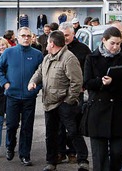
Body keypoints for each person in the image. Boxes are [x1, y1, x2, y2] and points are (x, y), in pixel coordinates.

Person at [28, 31, 90, 171]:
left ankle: (83, 160)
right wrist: (33, 81)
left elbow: (76, 82)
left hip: (64, 103)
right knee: (51, 134)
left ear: (52, 43)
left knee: (73, 132)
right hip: (49, 102)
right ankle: (51, 162)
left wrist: (69, 101)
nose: (45, 45)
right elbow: (39, 72)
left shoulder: (69, 58)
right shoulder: (47, 58)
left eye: (47, 42)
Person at [84, 27, 122, 171]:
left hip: (119, 110)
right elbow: (87, 82)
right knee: (99, 156)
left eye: (118, 44)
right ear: (104, 41)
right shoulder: (92, 58)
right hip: (98, 111)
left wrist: (113, 83)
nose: (115, 47)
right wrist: (101, 82)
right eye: (112, 43)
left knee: (118, 152)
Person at [0, 26, 44, 167]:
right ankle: (10, 146)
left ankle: (25, 155)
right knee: (11, 125)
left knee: (27, 128)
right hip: (12, 96)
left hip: (29, 97)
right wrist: (5, 83)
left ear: (32, 37)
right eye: (23, 35)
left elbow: (43, 74)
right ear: (17, 37)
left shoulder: (37, 54)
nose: (26, 38)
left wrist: (37, 88)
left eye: (28, 36)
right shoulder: (9, 52)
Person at [58, 22, 92, 163]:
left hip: (76, 93)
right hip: (58, 93)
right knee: (59, 126)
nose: (64, 38)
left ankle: (73, 152)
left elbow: (88, 69)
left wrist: (84, 85)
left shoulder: (83, 50)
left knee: (73, 126)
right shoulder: (55, 48)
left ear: (73, 34)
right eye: (62, 35)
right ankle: (61, 152)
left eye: (67, 35)